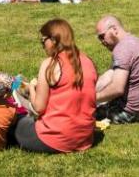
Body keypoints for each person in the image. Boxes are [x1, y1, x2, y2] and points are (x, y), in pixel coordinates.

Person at [12, 19, 97, 153]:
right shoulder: (88, 62)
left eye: (43, 41)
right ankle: (20, 86)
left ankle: (15, 87)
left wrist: (34, 89)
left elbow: (39, 108)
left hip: (54, 138)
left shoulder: (50, 64)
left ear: (54, 40)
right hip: (84, 138)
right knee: (23, 85)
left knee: (14, 119)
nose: (42, 45)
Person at [94, 16, 139, 124]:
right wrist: (88, 91)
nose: (101, 41)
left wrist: (91, 98)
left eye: (102, 36)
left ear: (114, 30)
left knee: (84, 112)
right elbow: (110, 75)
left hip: (132, 113)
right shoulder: (132, 41)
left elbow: (117, 88)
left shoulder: (122, 49)